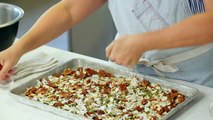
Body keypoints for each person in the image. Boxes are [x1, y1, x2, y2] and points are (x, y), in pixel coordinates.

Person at [0, 0, 213, 87]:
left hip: (198, 82)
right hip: (133, 79)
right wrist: (19, 48)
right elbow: (70, 10)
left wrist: (143, 42)